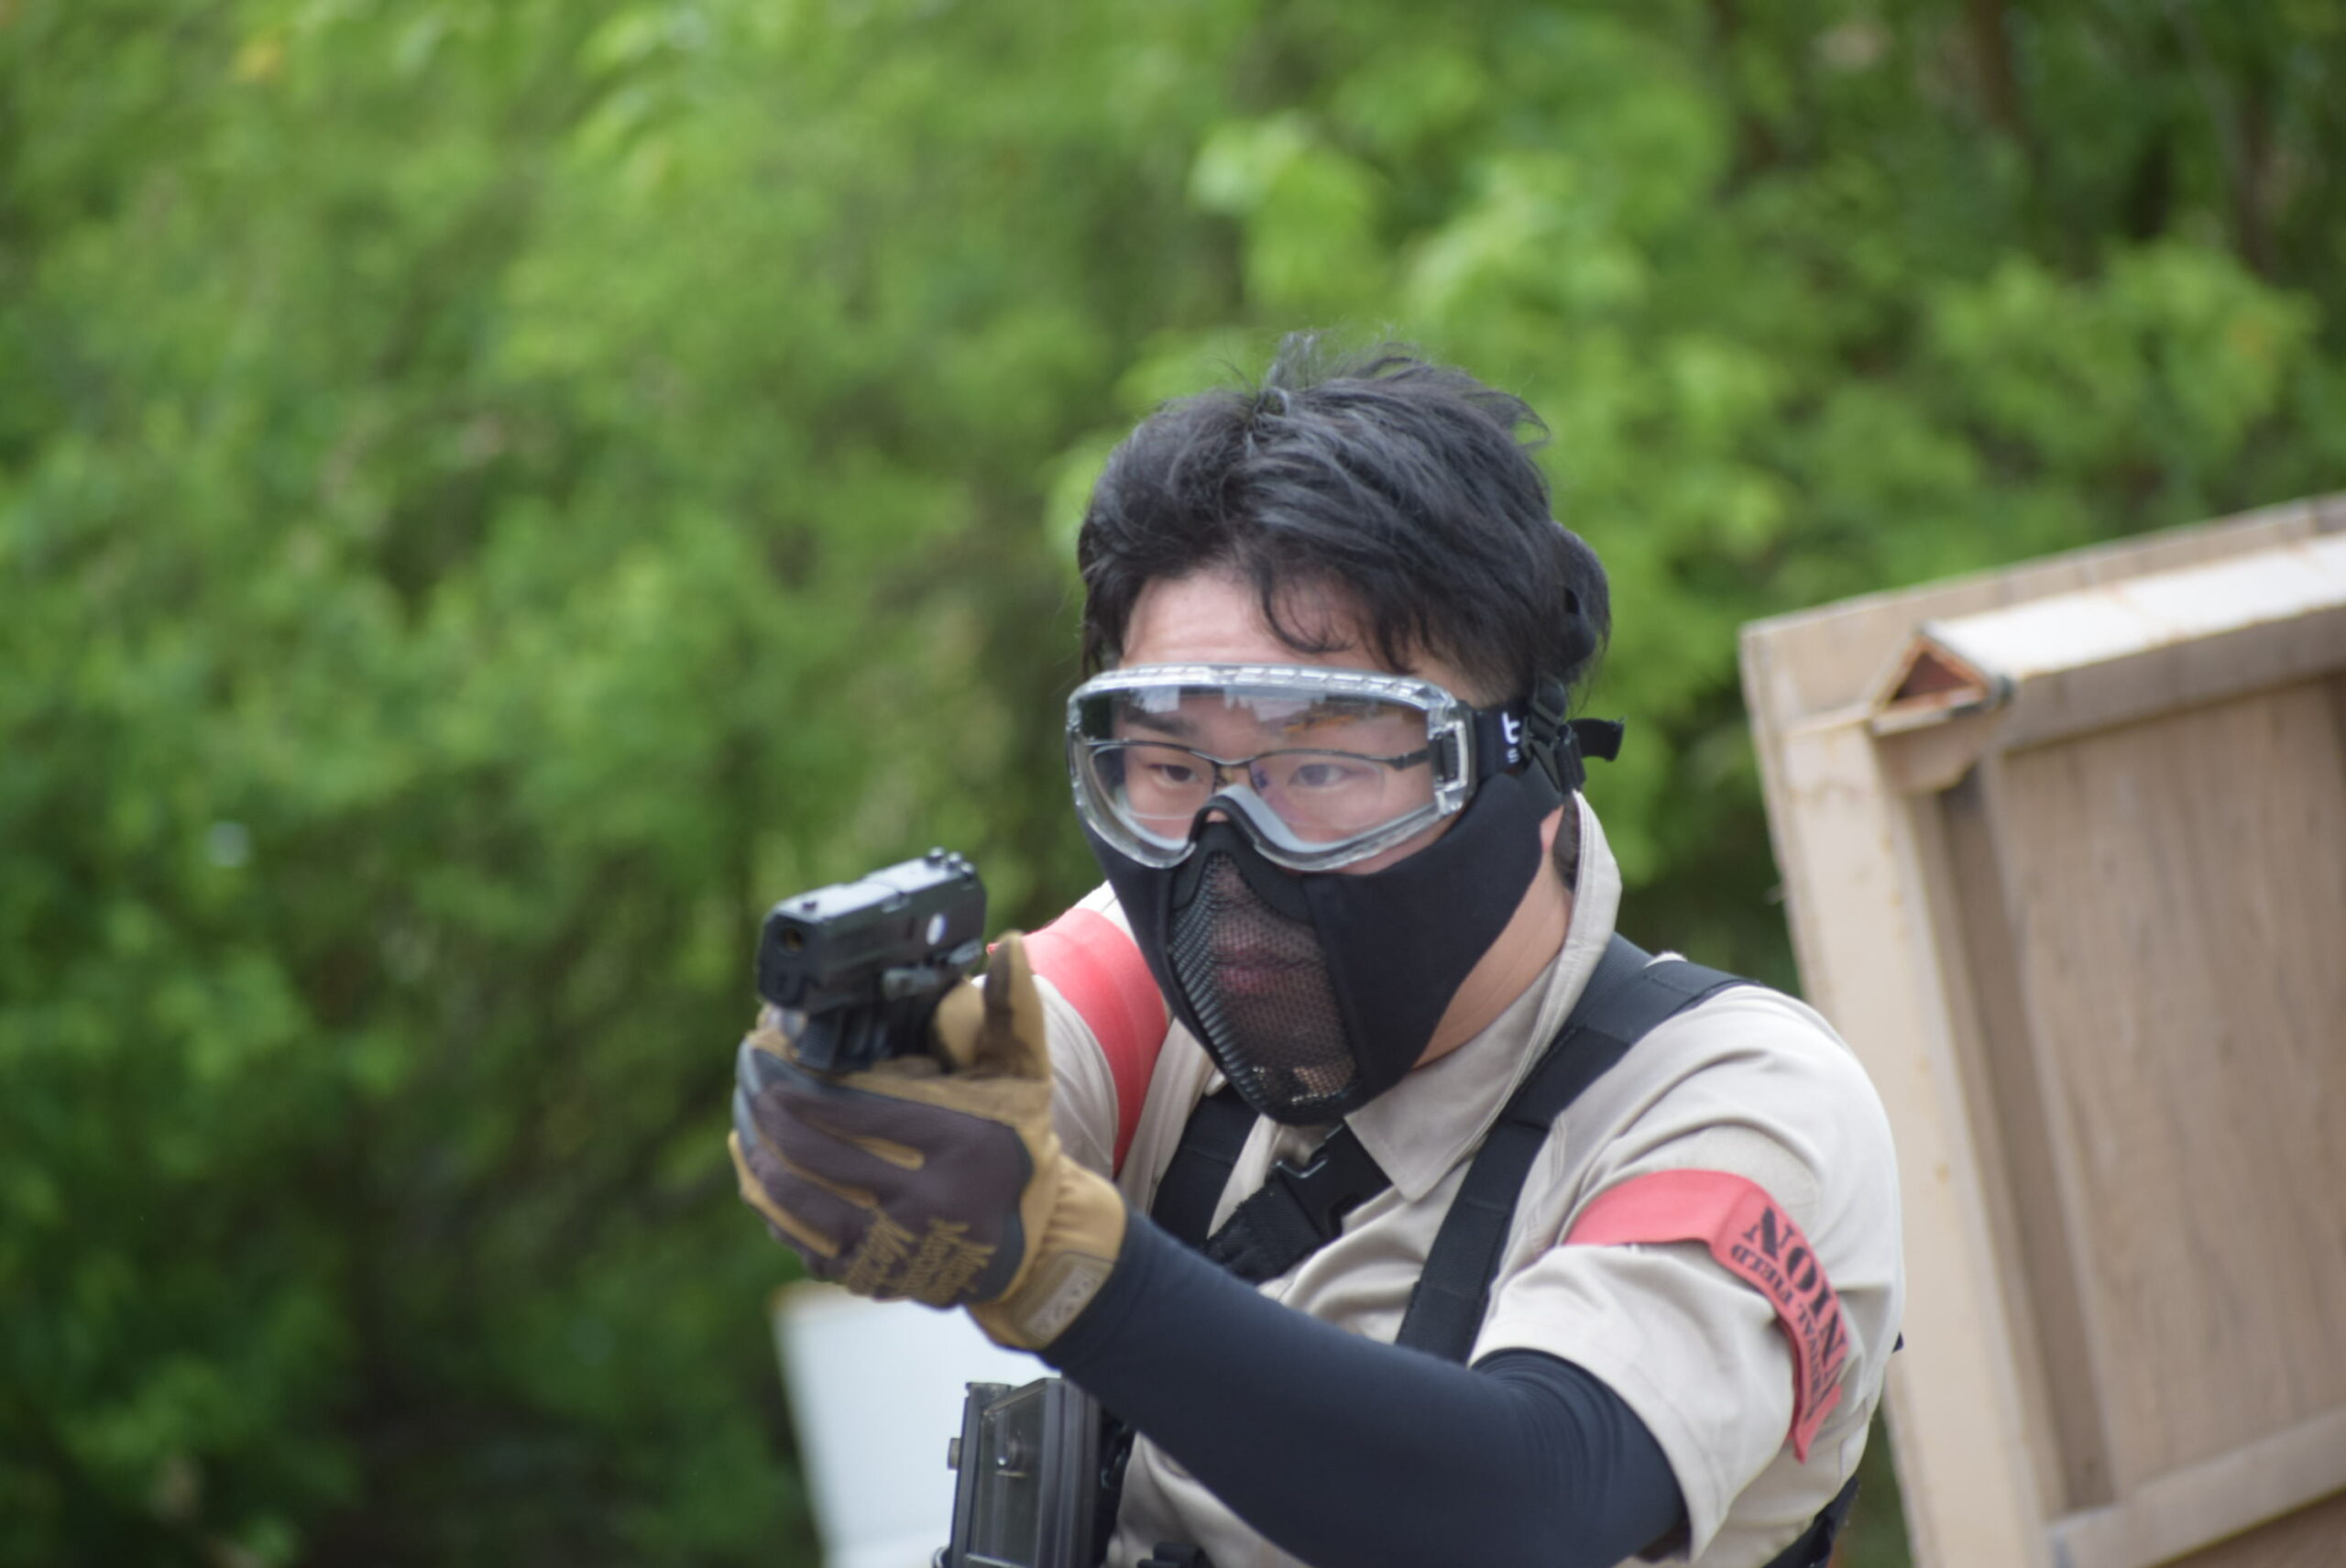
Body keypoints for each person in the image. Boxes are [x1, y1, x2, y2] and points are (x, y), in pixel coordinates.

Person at [729, 341, 1904, 1568]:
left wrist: (1071, 1270)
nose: (1236, 851)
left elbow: (1535, 1500)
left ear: (1525, 767)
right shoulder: (1171, 975)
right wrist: (857, 1095)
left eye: (1326, 766)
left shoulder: (1745, 1101)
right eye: (1171, 765)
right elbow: (985, 1078)